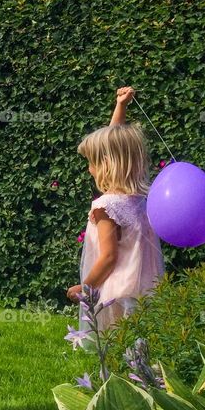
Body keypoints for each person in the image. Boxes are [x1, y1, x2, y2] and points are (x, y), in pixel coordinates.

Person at [68, 86, 164, 331]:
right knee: (141, 352)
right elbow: (117, 146)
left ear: (107, 165)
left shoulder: (105, 207)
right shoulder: (141, 200)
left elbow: (109, 257)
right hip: (144, 290)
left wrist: (85, 288)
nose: (89, 169)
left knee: (118, 352)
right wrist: (120, 107)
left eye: (91, 162)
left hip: (117, 293)